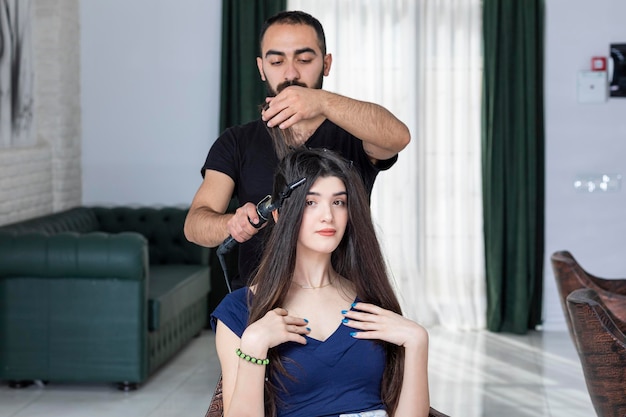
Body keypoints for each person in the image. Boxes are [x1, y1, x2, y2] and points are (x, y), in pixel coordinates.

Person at [184, 10, 410, 289]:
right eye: (277, 61)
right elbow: (194, 224)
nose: (291, 73)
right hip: (261, 305)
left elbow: (398, 136)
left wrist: (323, 102)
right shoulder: (237, 141)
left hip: (345, 301)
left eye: (304, 59)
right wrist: (231, 224)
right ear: (261, 68)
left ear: (326, 64)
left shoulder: (356, 133)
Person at [211, 148, 429, 417]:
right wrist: (254, 344)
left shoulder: (371, 300)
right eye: (310, 202)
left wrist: (417, 342)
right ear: (278, 214)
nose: (328, 215)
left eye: (339, 202)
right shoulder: (238, 311)